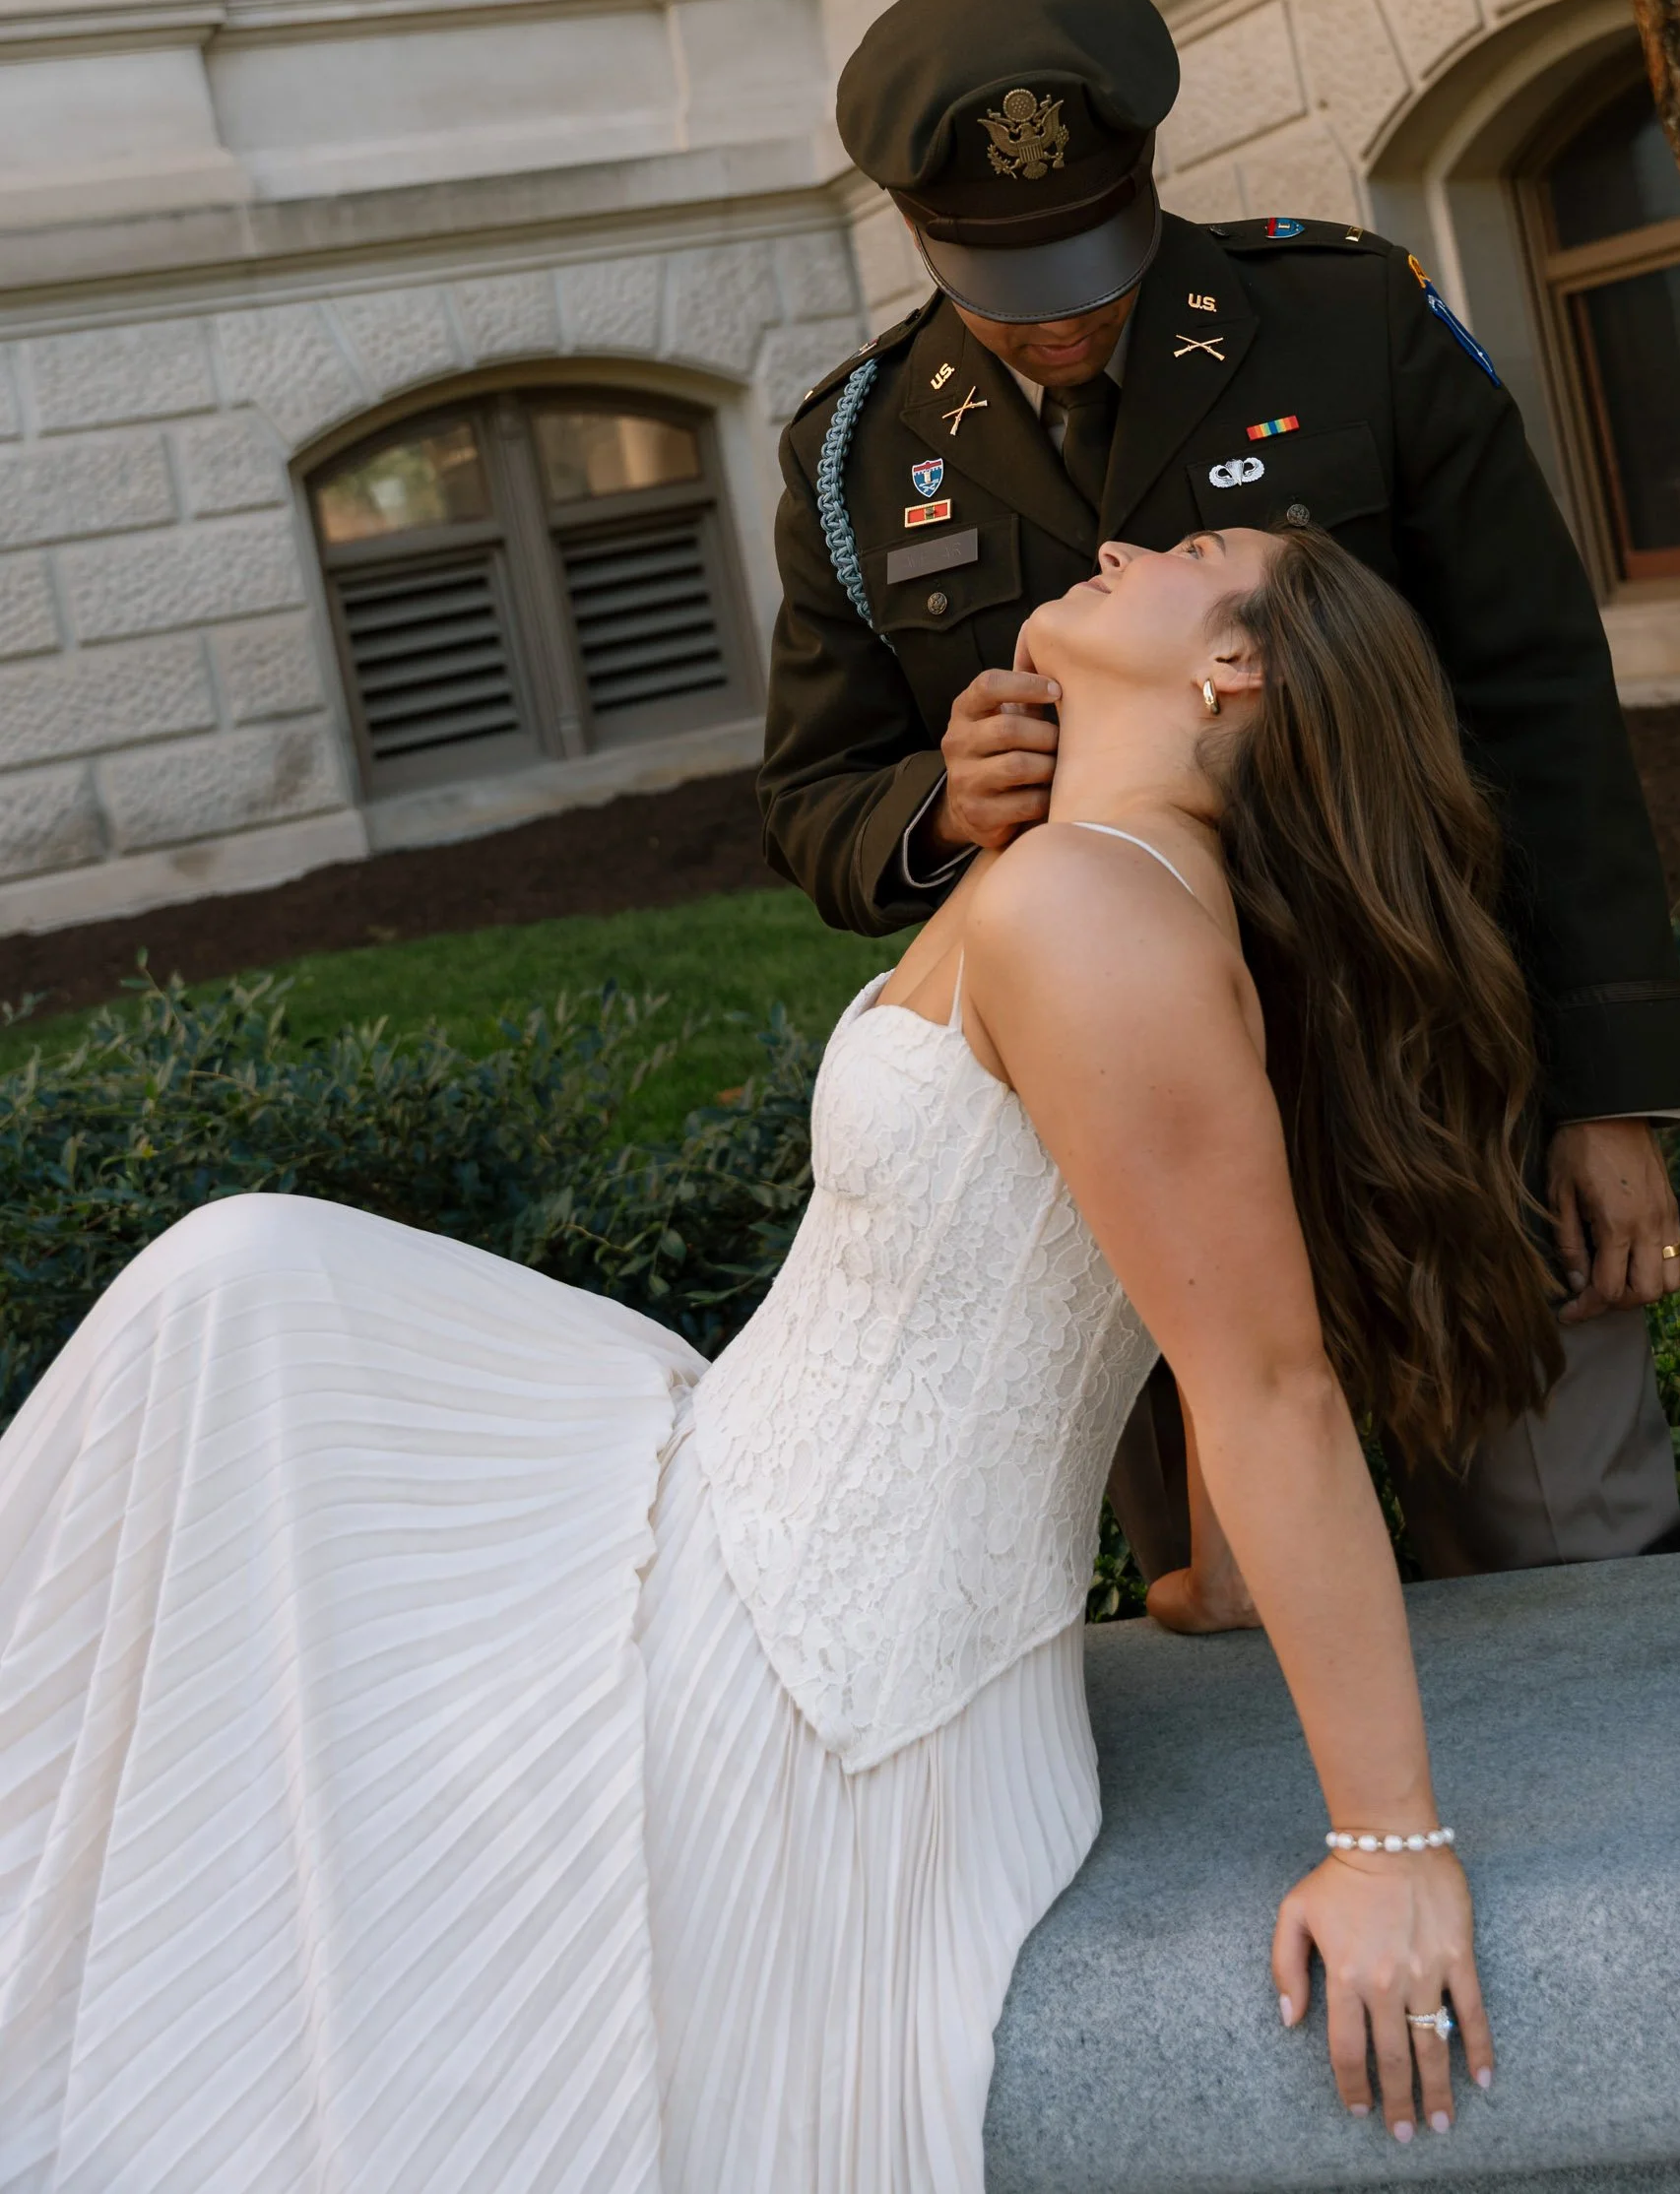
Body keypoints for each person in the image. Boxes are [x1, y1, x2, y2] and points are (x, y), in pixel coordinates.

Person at [1, 520, 1536, 2190]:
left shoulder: (1103, 912)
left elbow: (1267, 1379)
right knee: (243, 1300)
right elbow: (1169, 1280)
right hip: (731, 1495)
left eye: (1185, 548)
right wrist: (1219, 1582)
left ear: (1230, 666)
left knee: (234, 1317)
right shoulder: (1088, 882)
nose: (1116, 537)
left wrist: (1390, 1845)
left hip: (809, 1674)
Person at [759, 0, 1680, 1598]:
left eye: (1086, 261)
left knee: (1577, 1562)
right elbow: (814, 797)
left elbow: (1543, 707)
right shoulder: (856, 451)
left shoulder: (1352, 327)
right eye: (1007, 277)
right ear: (918, 229)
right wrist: (935, 804)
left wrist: (1608, 1091)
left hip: (1436, 1067)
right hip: (1124, 1139)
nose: (1059, 314)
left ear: (1148, 181)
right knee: (1233, 1610)